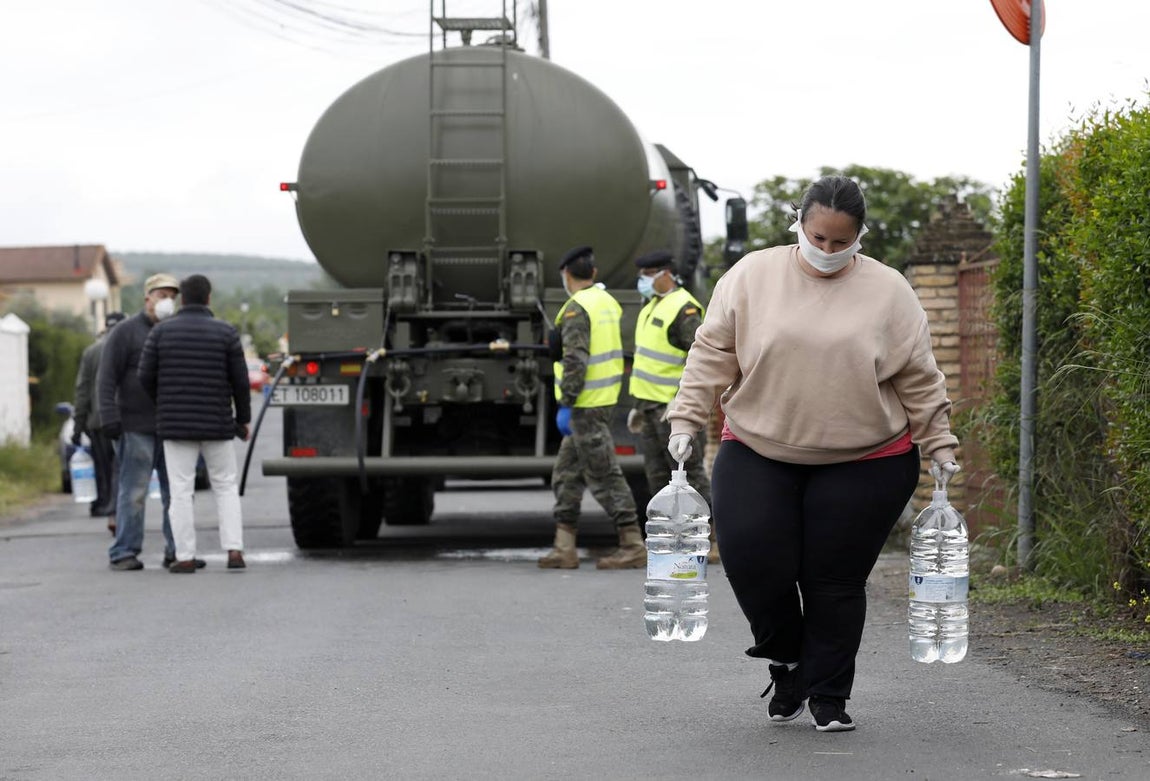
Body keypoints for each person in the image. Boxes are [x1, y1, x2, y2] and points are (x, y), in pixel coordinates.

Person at [665, 175, 961, 732]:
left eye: (840, 242)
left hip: (866, 456)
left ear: (859, 236)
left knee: (833, 580)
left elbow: (919, 375)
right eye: (817, 238)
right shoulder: (752, 275)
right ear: (798, 225)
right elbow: (711, 352)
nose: (827, 251)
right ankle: (788, 660)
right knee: (753, 559)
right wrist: (686, 415)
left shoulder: (889, 290)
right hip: (758, 444)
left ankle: (829, 695)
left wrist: (938, 438)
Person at [538, 245, 643, 570]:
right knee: (566, 475)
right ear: (593, 273)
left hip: (584, 405)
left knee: (604, 475)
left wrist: (567, 403)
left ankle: (632, 544)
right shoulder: (606, 302)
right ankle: (563, 547)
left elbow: (575, 360)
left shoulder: (576, 308)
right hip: (601, 401)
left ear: (566, 275)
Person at [138, 274, 251, 573]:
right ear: (209, 298)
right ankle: (234, 551)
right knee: (226, 486)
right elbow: (240, 381)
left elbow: (144, 377)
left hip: (176, 427)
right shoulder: (226, 332)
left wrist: (164, 403)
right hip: (218, 423)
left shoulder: (161, 333)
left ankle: (185, 556)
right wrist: (243, 420)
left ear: (181, 300)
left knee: (180, 491)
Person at [626, 249, 717, 563]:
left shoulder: (684, 309)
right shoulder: (652, 305)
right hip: (649, 408)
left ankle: (713, 537)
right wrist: (638, 404)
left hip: (673, 409)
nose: (643, 280)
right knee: (656, 477)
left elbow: (701, 358)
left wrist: (683, 399)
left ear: (665, 274)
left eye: (648, 274)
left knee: (690, 475)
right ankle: (673, 541)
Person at [97, 273, 187, 571]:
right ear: (147, 298)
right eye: (161, 295)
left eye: (172, 296)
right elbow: (106, 377)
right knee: (133, 491)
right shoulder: (125, 332)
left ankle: (177, 551)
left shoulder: (176, 330)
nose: (167, 301)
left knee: (174, 493)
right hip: (134, 426)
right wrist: (109, 416)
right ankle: (124, 551)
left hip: (171, 425)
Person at [72, 310, 127, 530]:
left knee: (105, 471)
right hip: (126, 421)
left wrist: (78, 424)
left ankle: (109, 509)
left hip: (98, 422)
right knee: (122, 470)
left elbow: (82, 391)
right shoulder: (129, 348)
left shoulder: (91, 352)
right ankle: (117, 511)